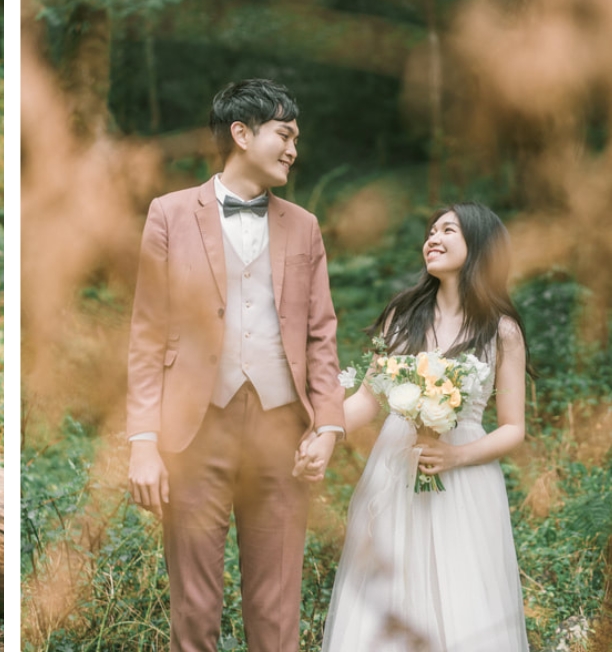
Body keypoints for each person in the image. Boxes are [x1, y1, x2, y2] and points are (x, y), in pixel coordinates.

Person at [125, 79, 346, 652]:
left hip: (282, 433)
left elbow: (322, 336)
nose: (295, 148)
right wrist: (143, 441)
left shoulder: (305, 226)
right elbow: (147, 335)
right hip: (195, 429)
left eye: (297, 137)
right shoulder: (169, 214)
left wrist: (327, 426)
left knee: (276, 611)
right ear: (242, 134)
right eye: (285, 134)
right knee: (194, 608)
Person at [314, 203, 530, 651]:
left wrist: (455, 456)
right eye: (430, 231)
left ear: (480, 245)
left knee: (462, 590)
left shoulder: (501, 331)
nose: (432, 238)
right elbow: (368, 400)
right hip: (395, 471)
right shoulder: (402, 316)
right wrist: (324, 428)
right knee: (394, 589)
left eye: (447, 230)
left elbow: (513, 428)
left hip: (465, 479)